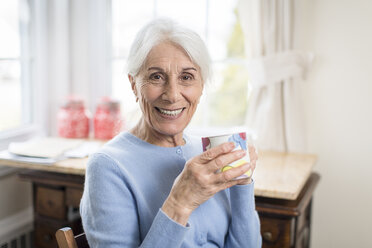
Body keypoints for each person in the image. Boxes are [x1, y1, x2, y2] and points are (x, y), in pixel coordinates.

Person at [80, 18, 262, 248]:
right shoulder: (107, 166)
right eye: (156, 76)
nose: (172, 95)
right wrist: (180, 203)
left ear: (201, 86)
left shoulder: (207, 154)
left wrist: (242, 185)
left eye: (186, 77)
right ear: (134, 84)